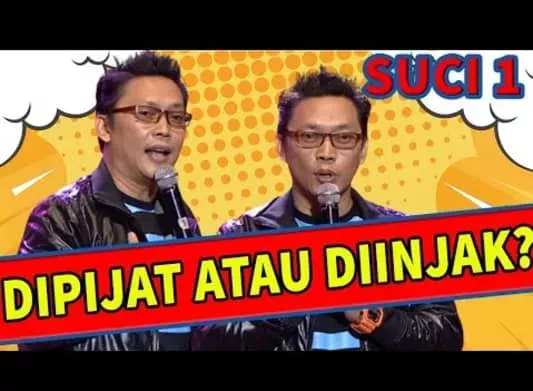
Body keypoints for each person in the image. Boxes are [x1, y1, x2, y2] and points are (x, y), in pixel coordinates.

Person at [194, 66, 464, 351]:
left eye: (344, 138)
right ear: (281, 145)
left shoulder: (403, 236)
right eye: (309, 137)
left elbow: (446, 337)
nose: (326, 153)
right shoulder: (245, 234)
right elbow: (208, 340)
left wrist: (374, 316)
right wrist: (299, 293)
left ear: (363, 149)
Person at [17, 51, 201, 351]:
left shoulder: (182, 219)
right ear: (104, 127)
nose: (165, 129)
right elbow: (38, 342)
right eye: (146, 114)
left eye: (177, 117)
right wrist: (127, 301)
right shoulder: (61, 217)